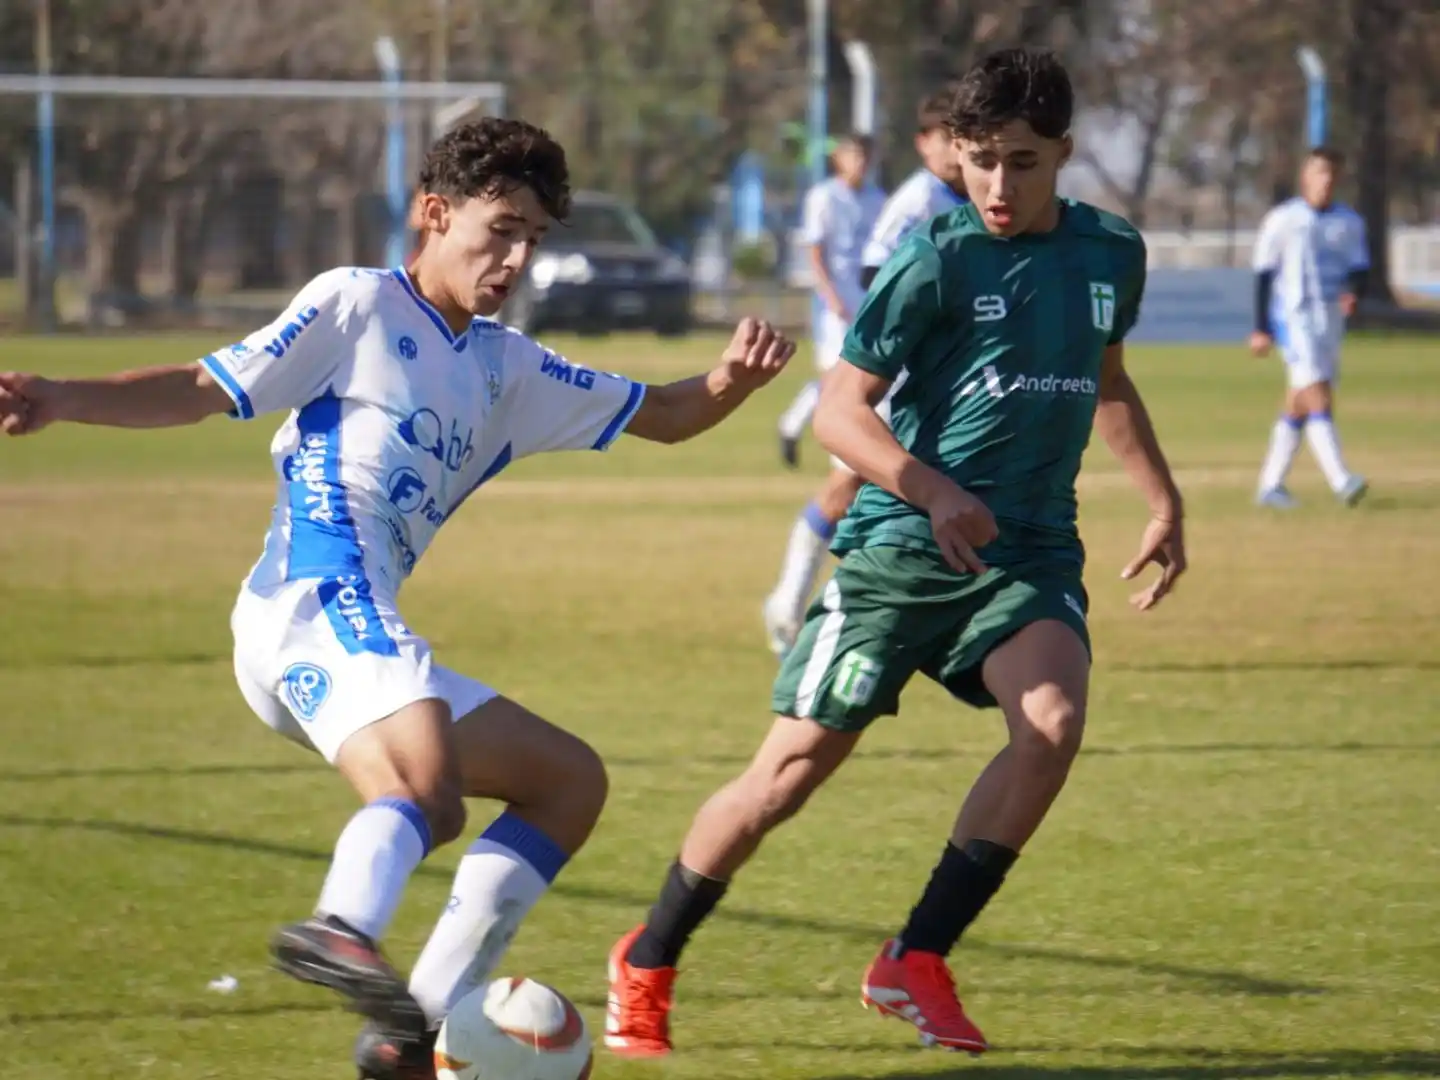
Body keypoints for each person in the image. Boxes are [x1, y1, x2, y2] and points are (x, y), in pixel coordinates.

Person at [0, 117, 795, 1080]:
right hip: (309, 600)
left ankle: (408, 1034)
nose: (513, 258)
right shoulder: (357, 305)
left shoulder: (508, 367)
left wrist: (732, 381)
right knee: (424, 781)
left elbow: (665, 415)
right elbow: (204, 387)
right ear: (434, 212)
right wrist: (62, 395)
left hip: (358, 628)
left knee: (567, 782)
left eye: (532, 240)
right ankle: (339, 926)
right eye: (499, 228)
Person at [604, 47, 1187, 1059]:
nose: (999, 186)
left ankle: (915, 959)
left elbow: (1108, 379)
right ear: (957, 157)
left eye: (1023, 162)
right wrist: (932, 489)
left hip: (1026, 550)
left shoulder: (1111, 254)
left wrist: (1163, 499)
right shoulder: (937, 256)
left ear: (1065, 154)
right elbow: (840, 411)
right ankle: (649, 957)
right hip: (898, 551)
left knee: (1050, 726)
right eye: (981, 162)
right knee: (784, 779)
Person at [764, 92, 967, 658]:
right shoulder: (916, 199)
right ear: (925, 142)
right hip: (875, 359)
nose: (961, 150)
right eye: (950, 138)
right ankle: (790, 600)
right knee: (854, 482)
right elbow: (878, 268)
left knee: (914, 483)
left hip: (921, 371)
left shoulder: (962, 193)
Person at [1250, 147, 1369, 509]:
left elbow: (1359, 269)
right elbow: (1264, 274)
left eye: (1331, 173)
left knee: (1300, 403)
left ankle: (1270, 487)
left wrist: (1353, 292)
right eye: (1319, 172)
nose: (1326, 179)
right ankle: (1341, 480)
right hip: (1293, 318)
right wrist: (1261, 327)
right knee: (1317, 392)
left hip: (1329, 321)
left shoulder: (1349, 223)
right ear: (1306, 177)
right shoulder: (1283, 219)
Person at [772, 131, 885, 469]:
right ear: (839, 159)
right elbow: (815, 254)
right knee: (839, 378)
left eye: (865, 156)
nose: (860, 163)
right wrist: (831, 297)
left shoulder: (878, 199)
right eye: (854, 156)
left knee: (862, 379)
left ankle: (796, 426)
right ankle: (841, 457)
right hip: (837, 306)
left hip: (869, 303)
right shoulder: (824, 197)